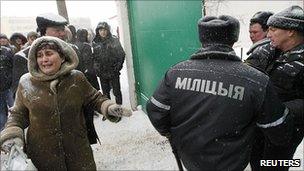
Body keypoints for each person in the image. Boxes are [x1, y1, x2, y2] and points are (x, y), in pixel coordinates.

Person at [146, 15, 294, 171]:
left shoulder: (176, 73)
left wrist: (171, 133)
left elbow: (155, 110)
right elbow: (279, 131)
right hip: (233, 163)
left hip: (191, 160)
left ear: (202, 38)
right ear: (233, 38)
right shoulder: (256, 80)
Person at [0, 36, 132, 170]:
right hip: (42, 157)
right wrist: (11, 134)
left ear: (63, 57)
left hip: (78, 152)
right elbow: (17, 114)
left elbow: (94, 98)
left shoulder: (76, 78)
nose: (44, 59)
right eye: (39, 55)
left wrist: (109, 107)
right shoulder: (26, 82)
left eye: (49, 54)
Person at [246, 5, 304, 171]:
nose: (268, 34)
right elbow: (244, 73)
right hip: (257, 128)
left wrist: (279, 110)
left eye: (272, 29)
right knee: (256, 163)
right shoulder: (266, 50)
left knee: (275, 166)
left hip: (286, 132)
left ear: (290, 31)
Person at [93, 21, 125, 105]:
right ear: (98, 31)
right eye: (100, 30)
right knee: (105, 93)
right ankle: (108, 110)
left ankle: (118, 109)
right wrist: (97, 68)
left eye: (104, 30)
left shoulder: (114, 40)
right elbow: (95, 57)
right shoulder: (95, 42)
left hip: (113, 71)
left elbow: (121, 54)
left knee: (117, 91)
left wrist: (118, 66)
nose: (103, 32)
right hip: (102, 72)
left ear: (108, 31)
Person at [0, 45, 14, 130]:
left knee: (15, 109)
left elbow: (13, 67)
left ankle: (15, 128)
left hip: (8, 86)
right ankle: (3, 131)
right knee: (1, 111)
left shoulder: (7, 51)